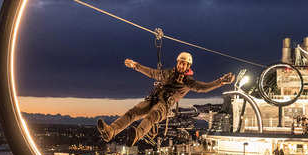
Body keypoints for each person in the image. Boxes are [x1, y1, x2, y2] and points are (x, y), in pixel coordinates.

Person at [97, 52, 235, 144]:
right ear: (177, 63)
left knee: (151, 116)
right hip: (153, 99)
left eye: (184, 64)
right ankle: (110, 131)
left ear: (188, 66)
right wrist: (135, 66)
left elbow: (203, 87)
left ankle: (137, 135)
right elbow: (152, 73)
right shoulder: (167, 73)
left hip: (163, 106)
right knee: (133, 112)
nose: (181, 65)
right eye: (180, 63)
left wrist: (220, 81)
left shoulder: (188, 82)